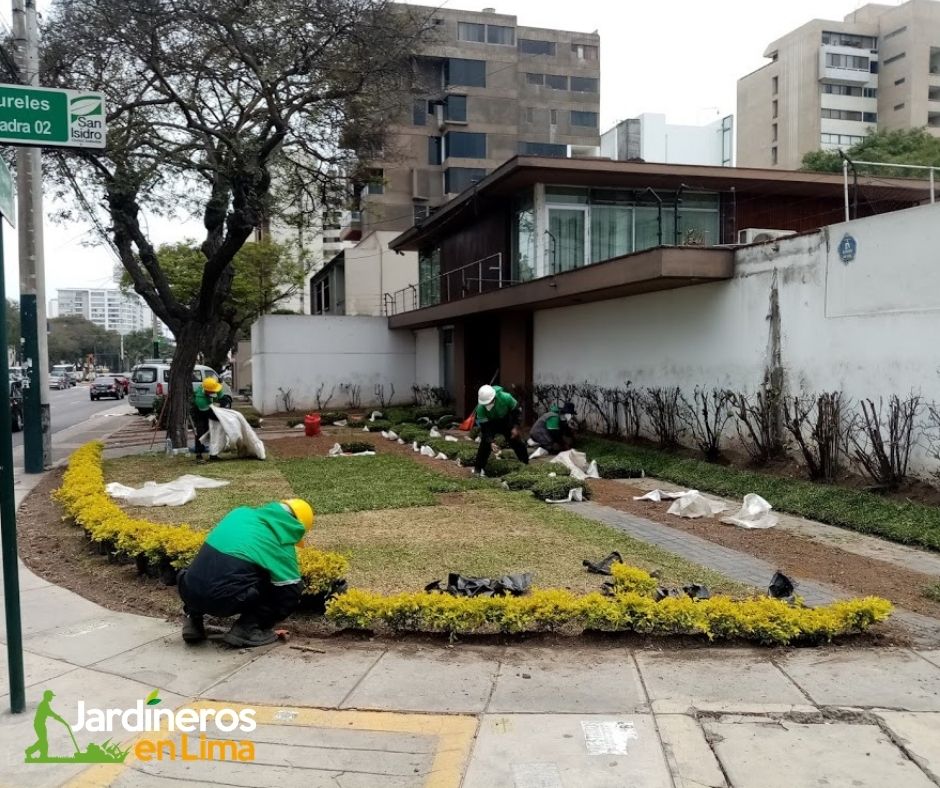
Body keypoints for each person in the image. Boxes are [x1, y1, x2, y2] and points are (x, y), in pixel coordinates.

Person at [177, 498, 315, 647]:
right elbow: (291, 591)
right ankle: (247, 629)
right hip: (224, 601)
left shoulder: (239, 513)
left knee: (206, 567)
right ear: (296, 526)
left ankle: (192, 619)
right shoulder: (282, 543)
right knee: (284, 587)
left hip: (188, 590)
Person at [473, 384, 529, 475]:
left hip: (506, 420)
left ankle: (525, 463)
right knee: (485, 444)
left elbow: (516, 412)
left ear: (494, 397)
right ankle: (478, 468)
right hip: (490, 423)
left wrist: (515, 427)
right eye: (485, 403)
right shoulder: (480, 409)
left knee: (516, 441)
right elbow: (485, 428)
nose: (487, 404)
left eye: (489, 402)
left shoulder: (506, 397)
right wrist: (490, 441)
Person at [24, 690, 68, 761]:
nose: (51, 698)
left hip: (40, 724)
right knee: (43, 741)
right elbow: (51, 713)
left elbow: (52, 714)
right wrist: (63, 721)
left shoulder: (45, 704)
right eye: (50, 696)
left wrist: (61, 720)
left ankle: (41, 755)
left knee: (43, 741)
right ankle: (32, 752)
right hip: (39, 724)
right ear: (47, 696)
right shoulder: (44, 705)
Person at [192, 376, 223, 461]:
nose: (215, 391)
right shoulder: (200, 400)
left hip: (209, 408)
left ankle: (213, 454)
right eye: (213, 391)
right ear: (207, 390)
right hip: (200, 412)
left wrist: (222, 400)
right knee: (201, 432)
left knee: (214, 431)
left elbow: (220, 394)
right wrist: (219, 417)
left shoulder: (212, 385)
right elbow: (208, 413)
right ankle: (199, 454)